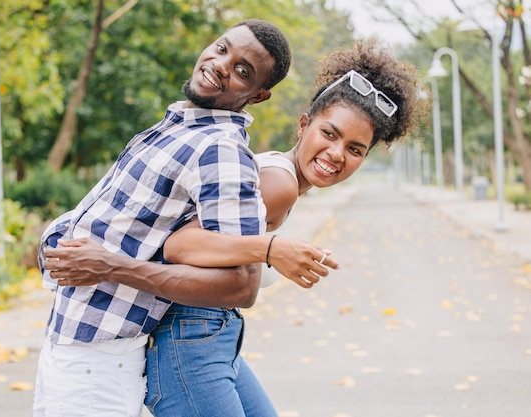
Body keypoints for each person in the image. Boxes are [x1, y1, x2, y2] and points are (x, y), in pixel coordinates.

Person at [44, 38, 425, 417]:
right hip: (190, 340)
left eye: (356, 149)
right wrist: (271, 248)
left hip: (215, 337)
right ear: (304, 124)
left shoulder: (277, 175)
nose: (337, 154)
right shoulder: (281, 184)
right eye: (330, 134)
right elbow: (179, 245)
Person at [33, 19, 323, 417]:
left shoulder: (220, 149)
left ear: (258, 96)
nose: (222, 65)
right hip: (67, 343)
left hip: (99, 357)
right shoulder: (176, 128)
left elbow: (241, 286)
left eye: (243, 71)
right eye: (222, 49)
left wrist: (112, 267)